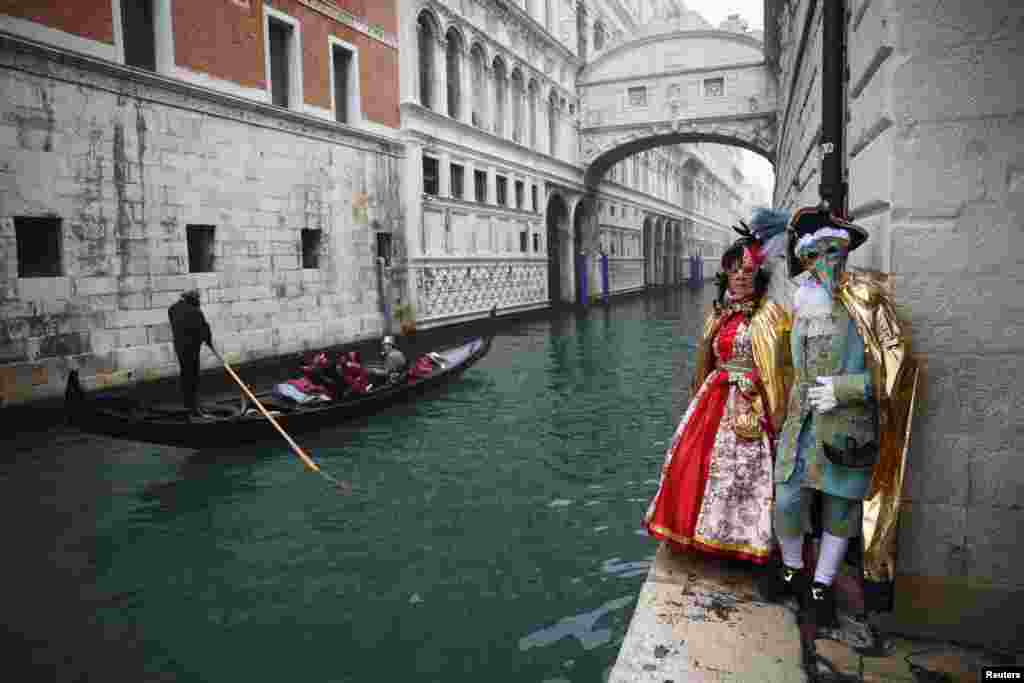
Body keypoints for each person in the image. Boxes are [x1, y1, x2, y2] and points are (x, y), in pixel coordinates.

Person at [758, 207, 918, 626]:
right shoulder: (797, 299)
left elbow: (899, 368)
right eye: (818, 253)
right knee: (788, 502)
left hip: (848, 428)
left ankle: (821, 585)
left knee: (840, 510)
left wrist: (846, 390)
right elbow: (786, 366)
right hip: (801, 427)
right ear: (806, 256)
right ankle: (793, 570)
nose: (828, 261)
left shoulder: (869, 302)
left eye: (835, 251)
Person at [643, 211, 793, 565]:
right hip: (714, 395)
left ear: (758, 275)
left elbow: (779, 365)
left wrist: (754, 392)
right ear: (725, 273)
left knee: (741, 471)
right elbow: (706, 362)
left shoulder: (768, 315)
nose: (741, 276)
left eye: (748, 270)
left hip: (749, 399)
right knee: (697, 461)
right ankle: (704, 533)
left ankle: (740, 542)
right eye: (734, 269)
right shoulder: (718, 314)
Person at [168, 289, 215, 419]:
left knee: (185, 373)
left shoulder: (172, 309)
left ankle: (187, 404)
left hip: (179, 347)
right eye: (197, 299)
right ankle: (194, 406)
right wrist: (209, 343)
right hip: (191, 349)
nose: (199, 301)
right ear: (193, 299)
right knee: (193, 376)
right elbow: (205, 328)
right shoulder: (195, 311)